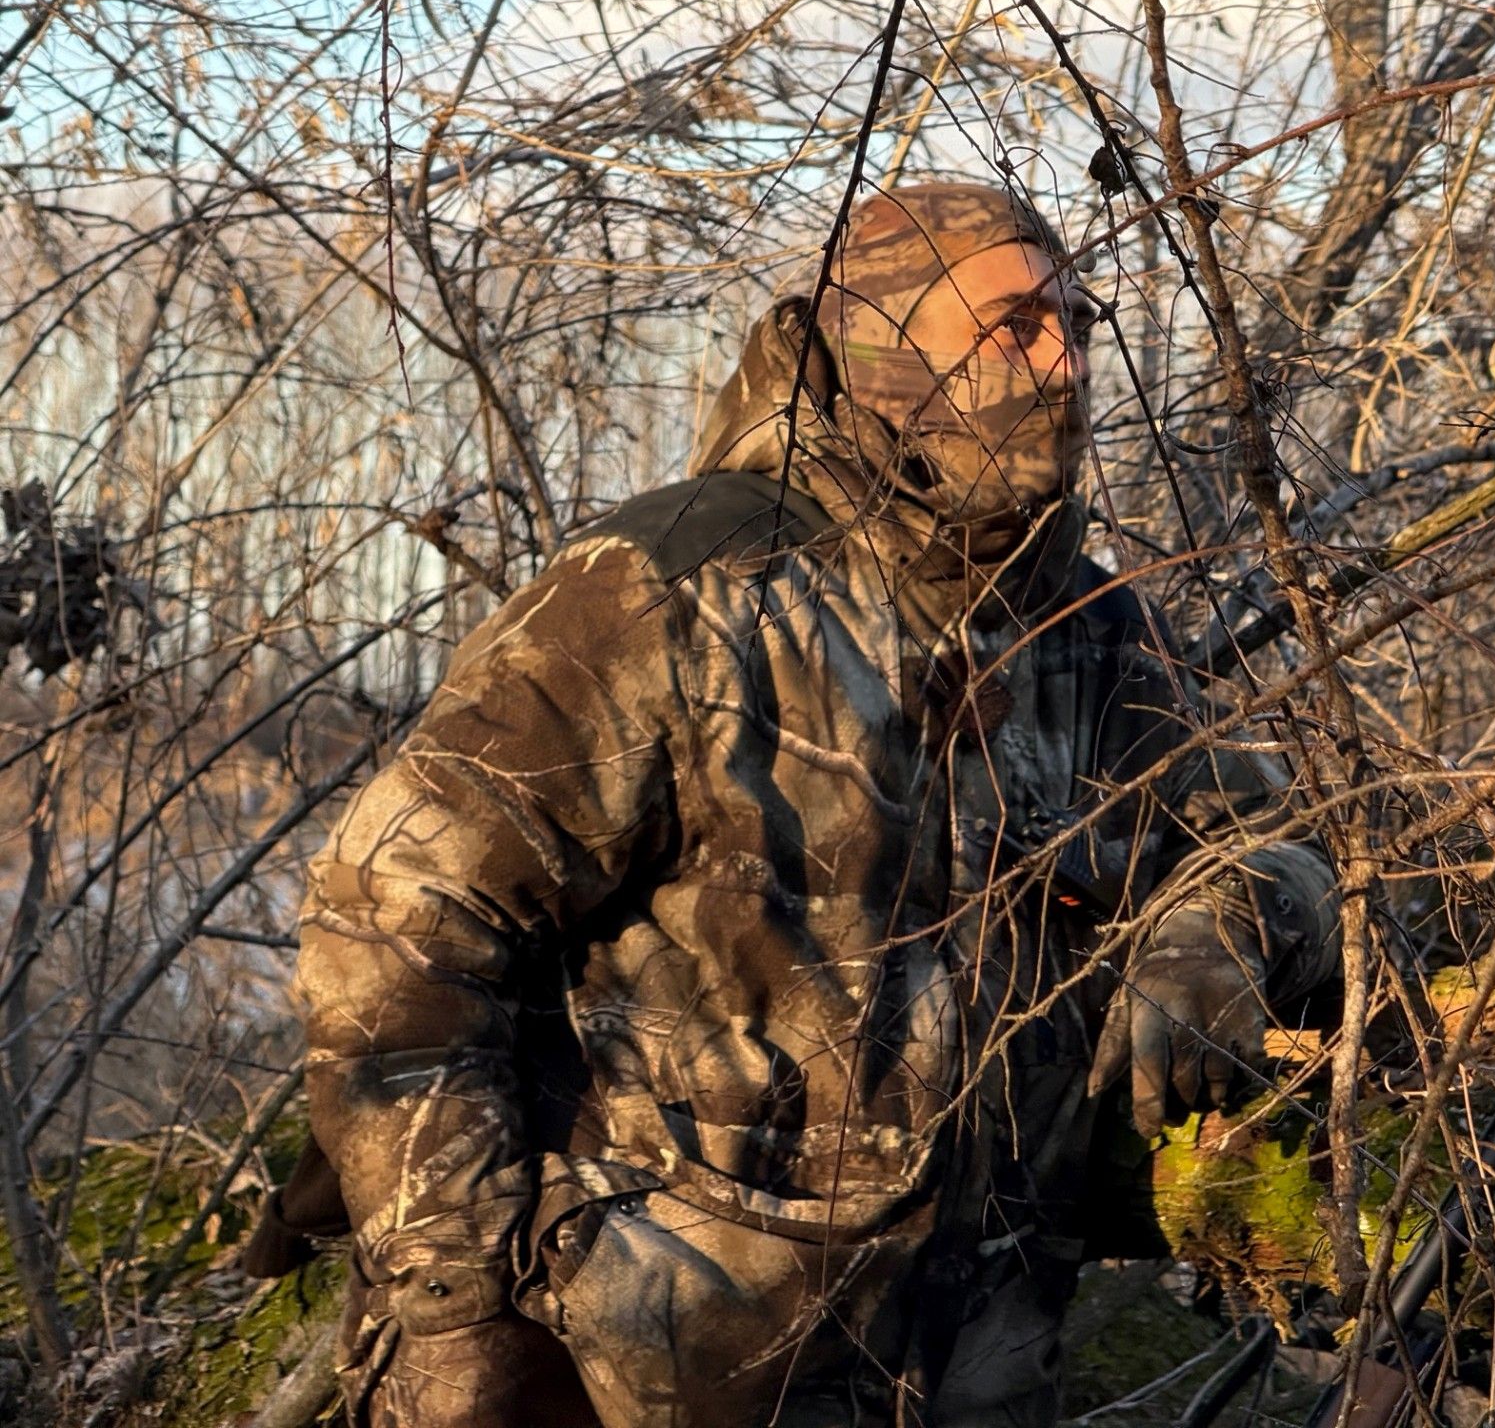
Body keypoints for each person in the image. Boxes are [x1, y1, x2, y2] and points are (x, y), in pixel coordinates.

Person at [291, 181, 1340, 1428]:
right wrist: (452, 1306)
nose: (1064, 364)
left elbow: (1278, 848)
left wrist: (1217, 926)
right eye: (1013, 327)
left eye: (1078, 321)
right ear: (879, 353)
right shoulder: (672, 591)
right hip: (659, 1361)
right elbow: (392, 936)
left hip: (990, 1358)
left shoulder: (1090, 630)